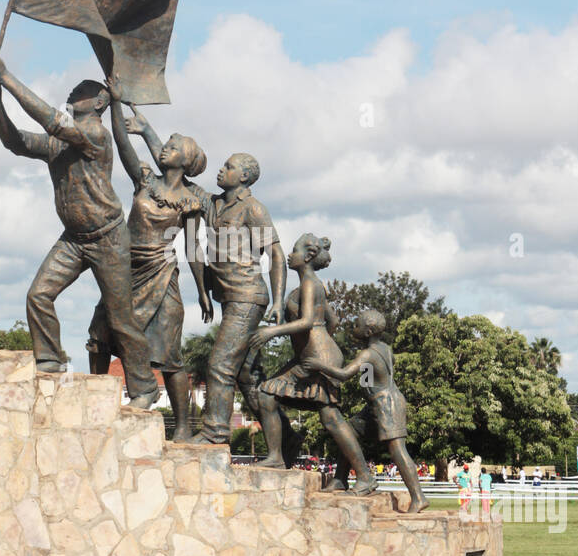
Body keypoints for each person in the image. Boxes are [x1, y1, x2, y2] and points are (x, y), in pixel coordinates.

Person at [0, 58, 158, 407]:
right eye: (74, 90)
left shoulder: (95, 134)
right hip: (74, 240)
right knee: (38, 296)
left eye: (83, 91)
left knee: (121, 320)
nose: (73, 93)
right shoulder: (58, 142)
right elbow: (15, 142)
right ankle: (49, 362)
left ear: (100, 103)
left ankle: (144, 388)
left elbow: (52, 120)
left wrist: (8, 78)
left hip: (108, 237)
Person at [92, 79, 210, 439]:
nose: (164, 149)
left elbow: (192, 249)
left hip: (163, 277)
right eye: (165, 144)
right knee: (100, 336)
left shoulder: (191, 201)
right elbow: (123, 142)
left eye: (172, 147)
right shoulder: (144, 180)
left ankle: (183, 429)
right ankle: (94, 401)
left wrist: (203, 293)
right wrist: (115, 104)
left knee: (170, 357)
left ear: (185, 160)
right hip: (126, 270)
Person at [247, 235, 376, 491]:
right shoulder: (314, 285)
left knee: (329, 417)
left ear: (307, 257)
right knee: (268, 396)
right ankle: (276, 457)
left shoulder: (309, 284)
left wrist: (271, 332)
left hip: (317, 358)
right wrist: (317, 342)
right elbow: (334, 320)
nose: (289, 255)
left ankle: (364, 476)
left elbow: (307, 322)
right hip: (315, 354)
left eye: (293, 251)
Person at [182, 151, 288, 447]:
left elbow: (277, 255)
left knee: (220, 365)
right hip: (230, 299)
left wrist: (278, 302)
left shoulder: (253, 209)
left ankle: (215, 432)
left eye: (228, 167)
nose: (220, 169)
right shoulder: (214, 204)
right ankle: (286, 442)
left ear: (243, 176)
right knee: (246, 376)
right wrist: (142, 130)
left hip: (248, 297)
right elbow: (179, 176)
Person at [304, 306, 429, 512]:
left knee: (397, 450)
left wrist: (319, 365)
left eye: (357, 326)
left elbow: (344, 374)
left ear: (368, 332)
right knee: (349, 433)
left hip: (386, 404)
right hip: (376, 404)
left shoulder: (368, 354)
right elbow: (368, 380)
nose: (353, 329)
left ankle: (418, 497)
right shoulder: (384, 349)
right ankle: (341, 479)